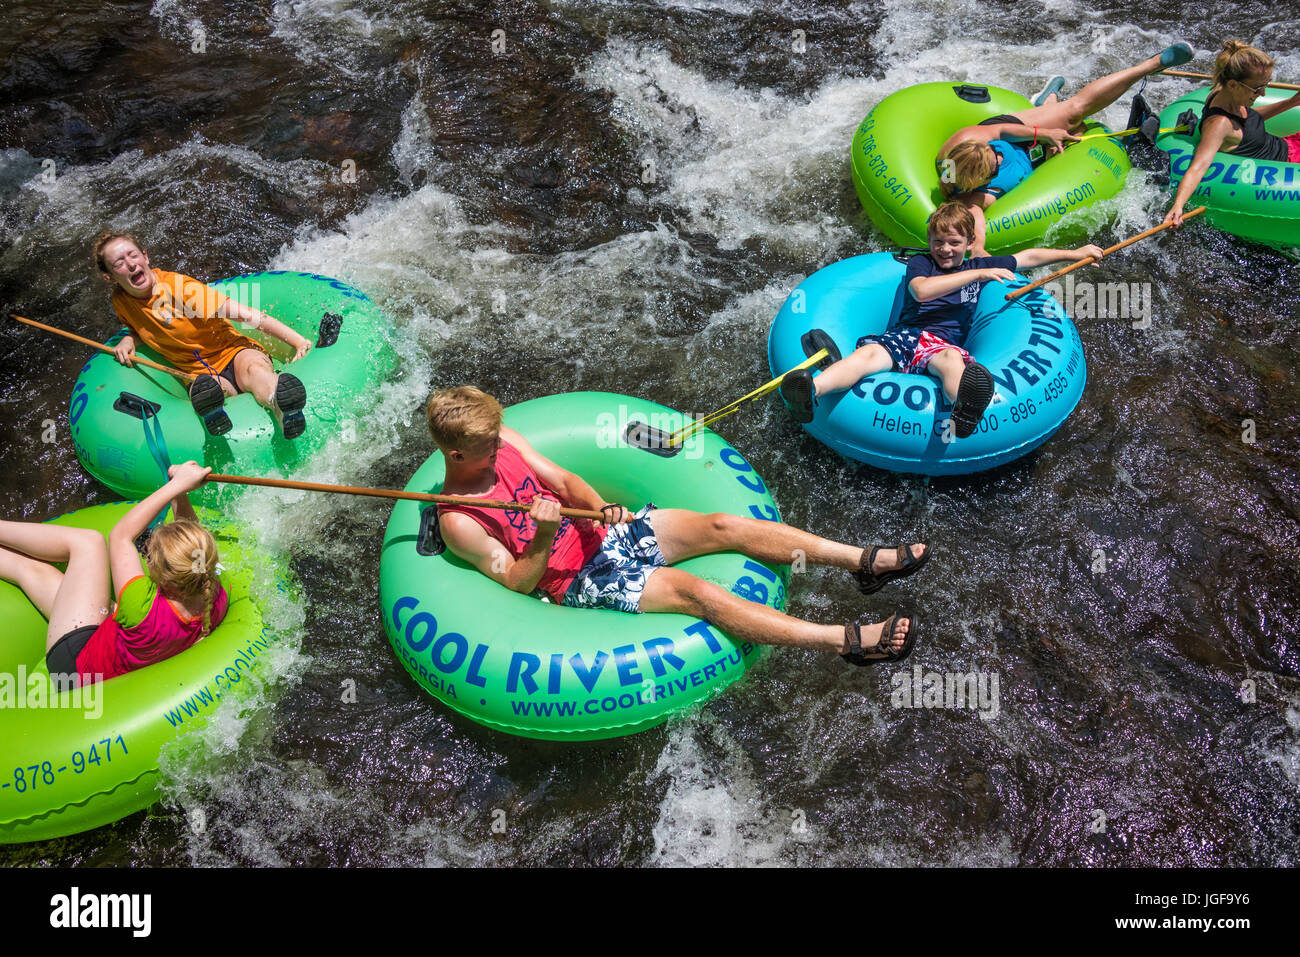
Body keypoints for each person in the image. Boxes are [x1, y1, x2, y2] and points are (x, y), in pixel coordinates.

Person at [426, 386, 928, 666]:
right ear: (455, 454)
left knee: (722, 523)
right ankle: (848, 640)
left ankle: (864, 563)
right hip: (580, 578)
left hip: (603, 533)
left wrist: (602, 506)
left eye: (496, 435)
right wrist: (539, 535)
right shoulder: (458, 523)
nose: (499, 444)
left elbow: (560, 477)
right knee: (696, 594)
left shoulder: (502, 437)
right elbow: (517, 582)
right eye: (487, 444)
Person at [780, 202, 1103, 438]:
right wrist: (977, 272)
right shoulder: (922, 264)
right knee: (866, 356)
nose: (945, 249)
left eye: (954, 243)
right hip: (904, 337)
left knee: (952, 360)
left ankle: (964, 407)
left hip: (942, 344)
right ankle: (810, 391)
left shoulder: (976, 264)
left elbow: (1030, 256)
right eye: (938, 241)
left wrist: (1076, 253)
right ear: (929, 240)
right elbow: (921, 292)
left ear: (970, 243)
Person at [940, 43, 1193, 254]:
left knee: (1074, 114)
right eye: (995, 163)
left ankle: (1152, 63)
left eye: (994, 153)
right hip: (1027, 158)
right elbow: (973, 213)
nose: (998, 156)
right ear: (980, 180)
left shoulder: (970, 141)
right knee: (1080, 130)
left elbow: (1001, 132)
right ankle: (1046, 102)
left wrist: (1044, 133)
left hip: (1008, 131)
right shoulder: (966, 186)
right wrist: (978, 247)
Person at [0, 462, 226, 687]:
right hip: (116, 657)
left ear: (165, 578)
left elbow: (120, 536)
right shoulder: (215, 597)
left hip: (74, 669)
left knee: (87, 543)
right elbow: (195, 550)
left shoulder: (141, 604)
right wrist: (180, 493)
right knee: (35, 572)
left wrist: (177, 485)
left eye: (149, 555)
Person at [94, 232, 312, 438]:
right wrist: (129, 339)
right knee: (210, 389)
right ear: (109, 277)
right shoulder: (121, 302)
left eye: (133, 255)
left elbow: (246, 315)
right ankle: (214, 411)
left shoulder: (180, 289)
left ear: (145, 256)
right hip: (199, 373)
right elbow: (144, 329)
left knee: (254, 370)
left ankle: (283, 406)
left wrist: (297, 340)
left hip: (234, 352)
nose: (131, 264)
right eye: (119, 263)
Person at [1164, 40, 1300, 227]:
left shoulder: (1222, 92)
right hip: (1288, 167)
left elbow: (1251, 119)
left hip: (1289, 144)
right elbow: (1198, 166)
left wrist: (1291, 102)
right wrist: (1178, 205)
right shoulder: (1219, 125)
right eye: (1257, 88)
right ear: (1234, 85)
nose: (1263, 93)